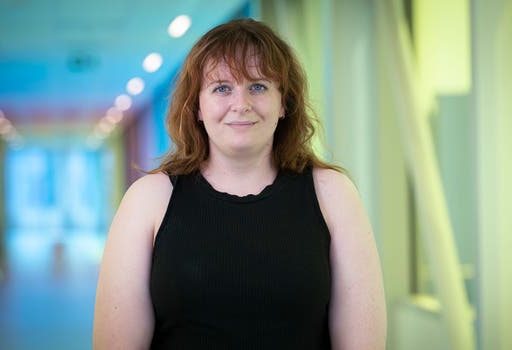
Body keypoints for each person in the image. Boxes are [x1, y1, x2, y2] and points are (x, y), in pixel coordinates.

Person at [93, 18, 386, 349]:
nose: (241, 104)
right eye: (221, 88)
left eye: (258, 86)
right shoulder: (148, 200)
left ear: (284, 104)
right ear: (197, 107)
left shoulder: (332, 194)